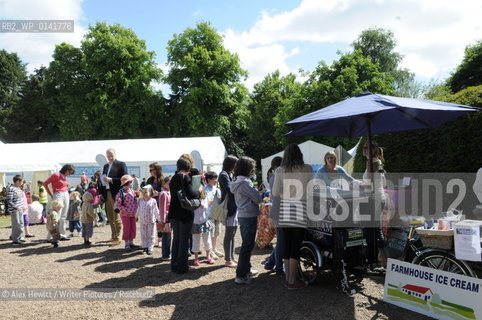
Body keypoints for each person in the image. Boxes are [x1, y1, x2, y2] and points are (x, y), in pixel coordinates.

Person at [272, 144, 312, 290]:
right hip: (301, 207)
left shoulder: (280, 170)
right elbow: (311, 189)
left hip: (285, 208)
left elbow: (275, 192)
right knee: (296, 245)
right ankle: (292, 280)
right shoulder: (307, 168)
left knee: (288, 245)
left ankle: (289, 279)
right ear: (300, 154)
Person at [230, 156, 263, 285]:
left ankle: (246, 269)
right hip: (248, 216)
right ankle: (241, 275)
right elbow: (258, 198)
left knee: (247, 245)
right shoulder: (245, 183)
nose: (253, 169)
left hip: (243, 215)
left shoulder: (238, 181)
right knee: (247, 246)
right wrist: (258, 193)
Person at [169, 157, 200, 274]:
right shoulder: (185, 178)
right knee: (184, 240)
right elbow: (192, 193)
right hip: (185, 213)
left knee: (176, 239)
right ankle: (183, 266)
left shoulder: (173, 179)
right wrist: (198, 190)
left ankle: (174, 265)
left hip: (173, 212)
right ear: (188, 167)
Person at [101, 148, 127, 246]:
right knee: (110, 216)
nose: (110, 157)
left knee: (116, 215)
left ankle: (118, 237)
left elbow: (124, 178)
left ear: (115, 155)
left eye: (111, 155)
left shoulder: (121, 164)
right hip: (107, 192)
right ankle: (113, 236)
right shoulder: (105, 166)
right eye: (108, 156)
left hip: (116, 192)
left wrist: (111, 179)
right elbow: (103, 179)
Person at [264, 156, 285, 275]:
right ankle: (278, 267)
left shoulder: (274, 177)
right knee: (281, 241)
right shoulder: (275, 178)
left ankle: (270, 263)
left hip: (278, 210)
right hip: (279, 211)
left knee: (281, 241)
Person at [43, 164, 75, 240]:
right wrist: (50, 193)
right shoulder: (56, 175)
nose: (70, 174)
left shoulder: (64, 177)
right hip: (58, 194)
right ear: (66, 170)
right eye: (69, 172)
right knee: (56, 215)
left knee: (63, 215)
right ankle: (51, 236)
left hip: (65, 194)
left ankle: (62, 234)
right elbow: (45, 183)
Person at [219, 155, 239, 268]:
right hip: (229, 207)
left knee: (233, 233)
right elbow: (230, 190)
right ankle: (228, 259)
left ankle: (231, 257)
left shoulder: (229, 174)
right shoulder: (223, 175)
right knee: (229, 233)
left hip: (233, 207)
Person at [192, 188, 215, 266]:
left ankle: (208, 256)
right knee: (195, 241)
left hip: (204, 222)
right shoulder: (192, 200)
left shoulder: (204, 199)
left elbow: (206, 205)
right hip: (195, 223)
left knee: (207, 240)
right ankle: (196, 258)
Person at [204, 171, 224, 260]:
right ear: (208, 180)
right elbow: (207, 202)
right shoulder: (204, 189)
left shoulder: (217, 189)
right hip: (209, 214)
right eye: (213, 179)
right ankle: (210, 251)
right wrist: (215, 200)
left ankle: (214, 249)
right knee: (210, 233)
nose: (216, 181)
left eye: (216, 179)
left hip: (217, 213)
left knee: (216, 233)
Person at [136, 184, 160, 255]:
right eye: (143, 192)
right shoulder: (140, 201)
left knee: (151, 234)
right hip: (143, 221)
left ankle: (150, 247)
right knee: (144, 234)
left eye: (146, 192)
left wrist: (159, 218)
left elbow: (156, 210)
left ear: (151, 193)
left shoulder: (153, 201)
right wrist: (136, 216)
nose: (144, 194)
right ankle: (145, 246)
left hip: (151, 221)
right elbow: (138, 209)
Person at [116, 175, 138, 250]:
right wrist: (126, 209)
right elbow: (118, 205)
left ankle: (131, 242)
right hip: (125, 214)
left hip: (133, 214)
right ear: (127, 183)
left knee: (133, 228)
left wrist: (136, 208)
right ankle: (127, 243)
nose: (131, 183)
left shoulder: (132, 190)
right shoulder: (120, 193)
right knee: (127, 228)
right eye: (130, 182)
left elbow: (135, 200)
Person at [7, 175, 26, 244]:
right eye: (22, 182)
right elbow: (9, 200)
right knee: (16, 224)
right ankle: (16, 239)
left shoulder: (18, 188)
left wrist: (22, 207)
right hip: (15, 210)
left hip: (20, 209)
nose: (22, 183)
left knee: (21, 224)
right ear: (18, 181)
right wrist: (16, 207)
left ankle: (20, 237)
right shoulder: (11, 189)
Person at [158, 176, 172, 260]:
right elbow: (162, 208)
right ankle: (165, 255)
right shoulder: (163, 193)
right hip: (166, 219)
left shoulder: (169, 192)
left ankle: (167, 253)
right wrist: (163, 221)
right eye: (169, 182)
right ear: (165, 183)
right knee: (166, 237)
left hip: (169, 218)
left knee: (169, 236)